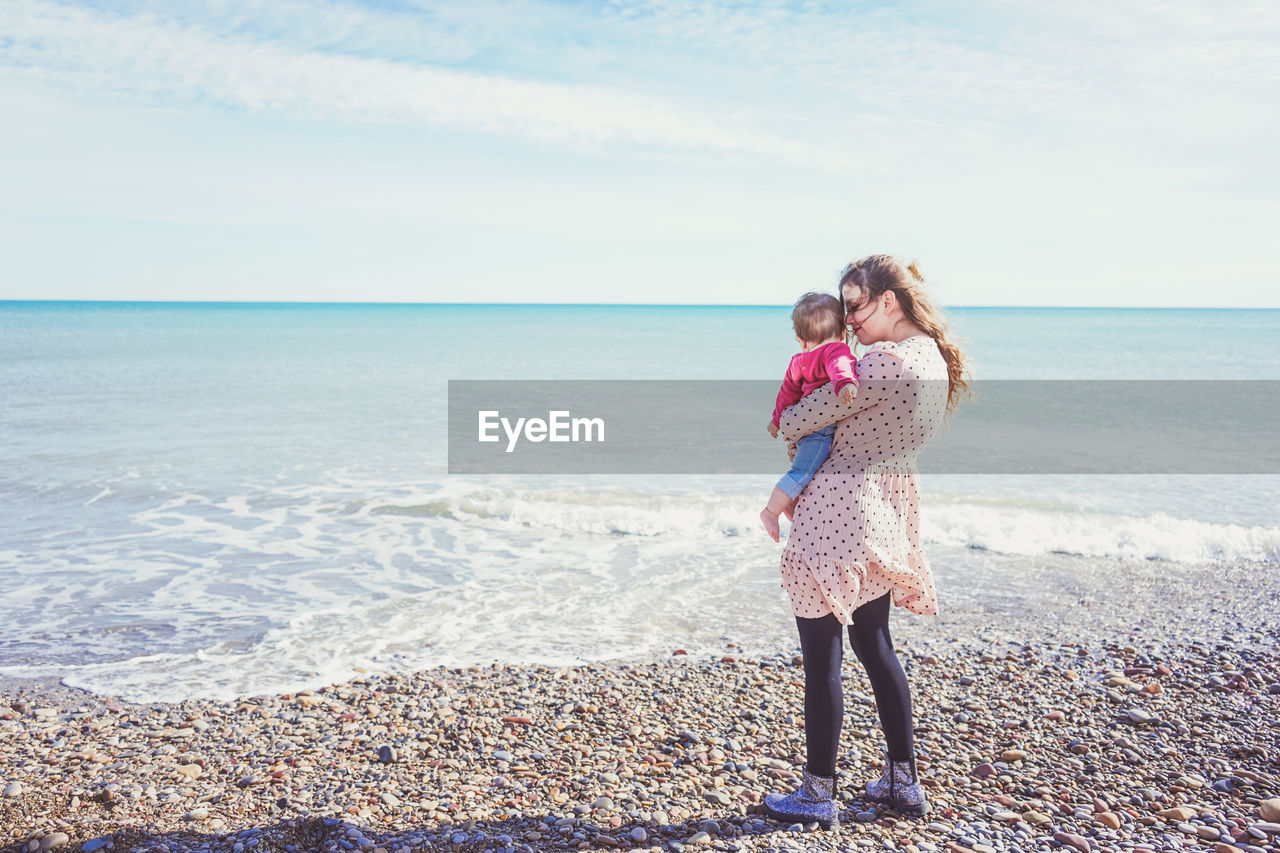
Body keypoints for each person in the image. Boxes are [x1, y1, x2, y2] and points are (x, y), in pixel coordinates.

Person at [761, 254, 970, 829]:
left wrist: (795, 414)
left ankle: (817, 793)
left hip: (835, 516)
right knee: (875, 644)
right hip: (882, 516)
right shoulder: (931, 361)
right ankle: (904, 782)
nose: (847, 319)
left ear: (889, 301)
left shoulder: (879, 366)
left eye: (854, 305)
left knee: (821, 655)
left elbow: (799, 418)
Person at [761, 292, 859, 543]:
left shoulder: (797, 361)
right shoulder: (836, 349)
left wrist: (775, 419)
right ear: (842, 333)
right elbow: (840, 367)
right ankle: (770, 511)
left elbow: (787, 393)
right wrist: (845, 384)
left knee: (805, 470)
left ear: (801, 341)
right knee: (802, 472)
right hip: (821, 431)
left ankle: (789, 503)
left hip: (804, 429)